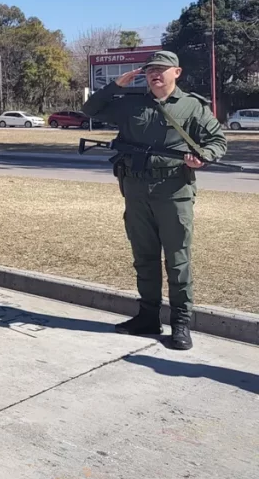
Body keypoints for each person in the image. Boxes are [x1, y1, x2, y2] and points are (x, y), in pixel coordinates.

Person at [83, 50, 226, 351]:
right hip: (135, 190)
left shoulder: (192, 107)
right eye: (150, 70)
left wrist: (203, 156)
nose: (154, 74)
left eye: (162, 69)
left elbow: (217, 141)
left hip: (174, 190)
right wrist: (116, 86)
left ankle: (181, 323)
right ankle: (148, 317)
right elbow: (91, 109)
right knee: (144, 257)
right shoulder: (131, 103)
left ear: (177, 72)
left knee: (177, 260)